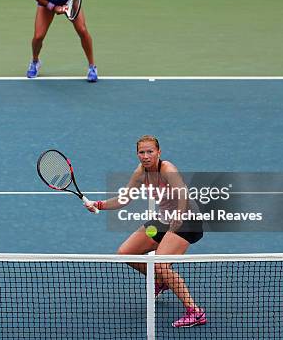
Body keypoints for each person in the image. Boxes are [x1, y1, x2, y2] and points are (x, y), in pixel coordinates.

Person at [84, 135, 207, 328]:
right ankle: (162, 281)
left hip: (186, 222)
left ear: (159, 152)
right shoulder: (141, 172)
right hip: (163, 221)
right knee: (126, 253)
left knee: (160, 264)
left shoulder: (167, 168)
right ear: (137, 154)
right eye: (142, 152)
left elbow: (182, 192)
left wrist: (180, 216)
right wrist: (98, 204)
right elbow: (124, 199)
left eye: (150, 151)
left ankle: (195, 312)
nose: (146, 156)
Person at [26, 0, 97, 82]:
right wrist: (52, 7)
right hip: (47, 3)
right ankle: (35, 62)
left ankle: (92, 67)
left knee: (82, 30)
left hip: (68, 1)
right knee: (38, 36)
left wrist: (69, 5)